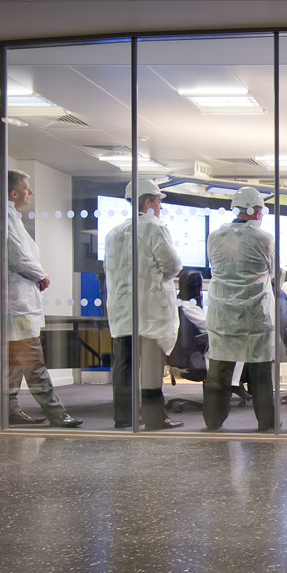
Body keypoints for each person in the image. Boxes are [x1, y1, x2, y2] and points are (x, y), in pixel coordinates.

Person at [0, 169, 82, 427]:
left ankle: (8, 411)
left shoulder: (9, 216)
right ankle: (56, 413)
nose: (30, 192)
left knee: (11, 361)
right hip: (12, 302)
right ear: (13, 193)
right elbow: (16, 255)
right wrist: (41, 275)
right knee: (33, 360)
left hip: (15, 301)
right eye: (26, 188)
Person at [104, 176, 184, 430]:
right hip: (148, 309)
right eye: (159, 202)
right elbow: (172, 265)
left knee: (124, 363)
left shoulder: (114, 232)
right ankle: (154, 417)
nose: (160, 207)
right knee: (150, 365)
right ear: (148, 203)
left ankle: (123, 416)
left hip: (122, 309)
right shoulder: (153, 227)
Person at [203, 186, 276, 431]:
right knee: (260, 373)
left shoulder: (214, 236)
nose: (262, 215)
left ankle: (213, 420)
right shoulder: (265, 239)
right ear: (253, 211)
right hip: (255, 315)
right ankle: (266, 423)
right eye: (261, 211)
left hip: (222, 314)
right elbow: (272, 273)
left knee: (219, 370)